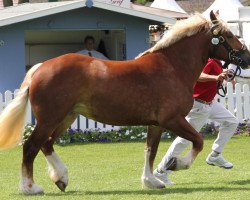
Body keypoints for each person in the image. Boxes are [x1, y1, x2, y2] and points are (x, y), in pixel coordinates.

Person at [153, 58, 239, 185]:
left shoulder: (216, 62)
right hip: (199, 105)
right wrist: (215, 77)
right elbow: (198, 76)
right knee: (185, 139)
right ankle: (161, 171)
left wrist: (223, 74)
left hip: (210, 104)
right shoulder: (209, 61)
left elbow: (212, 77)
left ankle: (215, 155)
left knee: (232, 122)